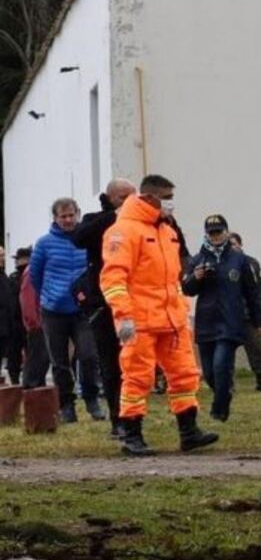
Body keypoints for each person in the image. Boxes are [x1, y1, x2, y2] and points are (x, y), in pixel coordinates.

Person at [101, 174, 218, 456]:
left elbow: (172, 276)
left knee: (184, 375)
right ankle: (131, 434)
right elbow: (113, 278)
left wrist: (181, 309)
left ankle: (189, 432)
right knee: (137, 377)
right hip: (139, 320)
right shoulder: (123, 231)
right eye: (167, 198)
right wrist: (124, 316)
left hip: (171, 319)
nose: (171, 204)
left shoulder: (166, 229)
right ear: (150, 198)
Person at [183, 216, 261, 421]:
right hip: (206, 322)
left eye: (219, 232)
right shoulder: (198, 259)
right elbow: (187, 289)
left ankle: (219, 410)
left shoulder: (239, 259)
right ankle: (224, 393)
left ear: (227, 233)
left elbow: (251, 291)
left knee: (221, 366)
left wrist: (258, 320)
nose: (216, 236)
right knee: (210, 373)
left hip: (230, 322)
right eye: (212, 233)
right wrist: (197, 277)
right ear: (206, 235)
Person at [70, 179, 137, 438]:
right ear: (110, 198)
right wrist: (115, 216)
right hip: (104, 304)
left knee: (135, 365)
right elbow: (80, 237)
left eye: (133, 196)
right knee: (110, 364)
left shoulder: (142, 222)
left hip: (137, 302)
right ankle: (117, 420)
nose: (130, 201)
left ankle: (134, 417)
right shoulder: (96, 219)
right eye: (123, 197)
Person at [30, 198, 105, 423]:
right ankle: (66, 404)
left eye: (71, 215)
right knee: (59, 361)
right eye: (63, 216)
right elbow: (35, 275)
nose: (68, 220)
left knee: (89, 355)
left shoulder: (87, 240)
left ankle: (91, 397)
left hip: (82, 310)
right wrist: (50, 295)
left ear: (78, 215)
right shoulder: (44, 244)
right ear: (55, 218)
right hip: (54, 310)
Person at [229, 232, 261, 392]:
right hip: (229, 317)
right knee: (226, 353)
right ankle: (228, 384)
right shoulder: (221, 264)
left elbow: (260, 290)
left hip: (249, 316)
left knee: (256, 349)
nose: (232, 247)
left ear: (241, 245)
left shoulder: (251, 263)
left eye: (235, 244)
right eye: (229, 244)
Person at [18, 263, 50, 388]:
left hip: (43, 322)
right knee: (37, 362)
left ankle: (36, 394)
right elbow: (28, 300)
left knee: (42, 362)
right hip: (38, 325)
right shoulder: (32, 271)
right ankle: (31, 393)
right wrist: (34, 322)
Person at [7, 247, 32, 385]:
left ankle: (20, 383)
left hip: (21, 321)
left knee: (19, 355)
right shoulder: (14, 278)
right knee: (18, 355)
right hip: (20, 321)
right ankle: (20, 382)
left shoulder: (17, 278)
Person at [0, 247, 14, 382]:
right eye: (0, 255)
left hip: (6, 327)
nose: (3, 258)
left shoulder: (4, 277)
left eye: (3, 255)